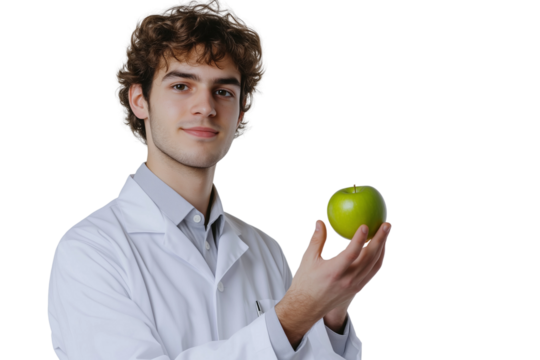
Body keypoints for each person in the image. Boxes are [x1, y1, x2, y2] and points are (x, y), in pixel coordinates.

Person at [47, 1, 391, 359]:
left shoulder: (266, 249)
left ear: (240, 112)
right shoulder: (90, 251)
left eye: (223, 91)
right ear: (140, 100)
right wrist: (292, 315)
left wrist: (332, 311)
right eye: (182, 86)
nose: (206, 107)